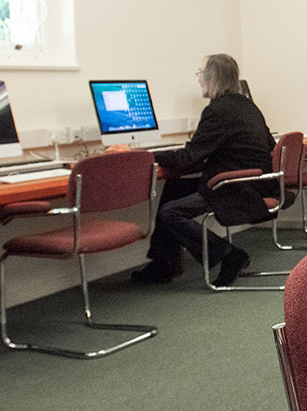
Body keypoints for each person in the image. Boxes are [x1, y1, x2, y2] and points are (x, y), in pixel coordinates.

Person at [118, 54, 275, 287]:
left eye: (200, 73)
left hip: (234, 187)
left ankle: (228, 254)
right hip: (254, 182)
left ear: (212, 77)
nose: (198, 80)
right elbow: (270, 145)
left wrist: (139, 156)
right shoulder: (247, 106)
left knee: (170, 213)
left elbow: (187, 158)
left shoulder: (218, 111)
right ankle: (163, 264)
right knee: (173, 186)